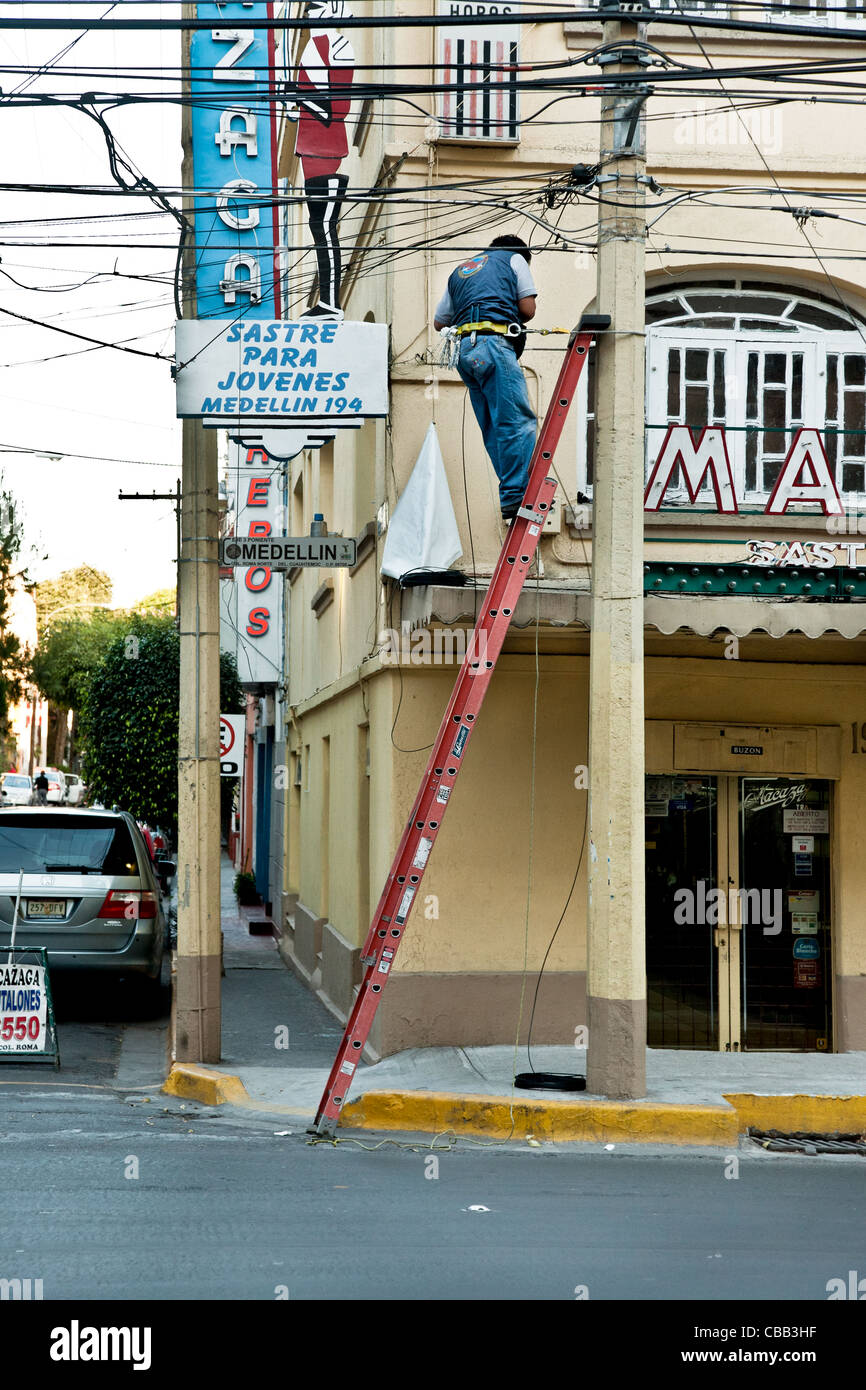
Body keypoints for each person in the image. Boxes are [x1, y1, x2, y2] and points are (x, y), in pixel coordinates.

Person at [434, 234, 538, 520]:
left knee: (493, 426)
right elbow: (528, 310)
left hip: (465, 353)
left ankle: (510, 492)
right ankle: (517, 495)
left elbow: (439, 322)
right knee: (516, 420)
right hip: (494, 345)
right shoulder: (515, 258)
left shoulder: (461, 270)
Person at [289, 0, 355, 318]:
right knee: (319, 225)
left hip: (327, 145)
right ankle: (328, 301)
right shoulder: (313, 47)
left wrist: (299, 96)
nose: (310, 17)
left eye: (316, 11)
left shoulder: (339, 45)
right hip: (309, 145)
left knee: (324, 224)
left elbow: (338, 109)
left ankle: (330, 303)